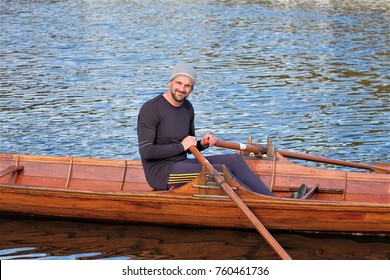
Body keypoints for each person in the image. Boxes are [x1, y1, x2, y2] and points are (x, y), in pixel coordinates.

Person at [137, 62, 275, 196]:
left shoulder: (187, 108)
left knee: (235, 160)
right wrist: (181, 146)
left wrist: (202, 143)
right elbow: (146, 152)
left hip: (182, 164)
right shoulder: (151, 109)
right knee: (220, 170)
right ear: (170, 83)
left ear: (191, 89)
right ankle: (259, 201)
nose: (182, 89)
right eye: (178, 83)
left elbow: (190, 145)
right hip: (161, 174)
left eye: (187, 86)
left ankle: (270, 198)